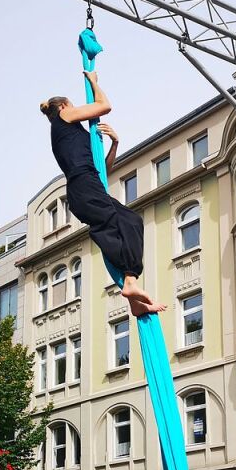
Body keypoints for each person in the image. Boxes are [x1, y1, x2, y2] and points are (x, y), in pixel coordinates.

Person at [40, 74, 166, 318]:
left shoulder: (70, 135)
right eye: (75, 105)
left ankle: (134, 301)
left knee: (131, 221)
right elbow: (104, 106)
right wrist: (94, 81)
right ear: (65, 106)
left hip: (89, 186)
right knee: (114, 224)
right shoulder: (62, 117)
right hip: (83, 187)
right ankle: (130, 282)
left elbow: (103, 171)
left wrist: (115, 144)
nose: (78, 109)